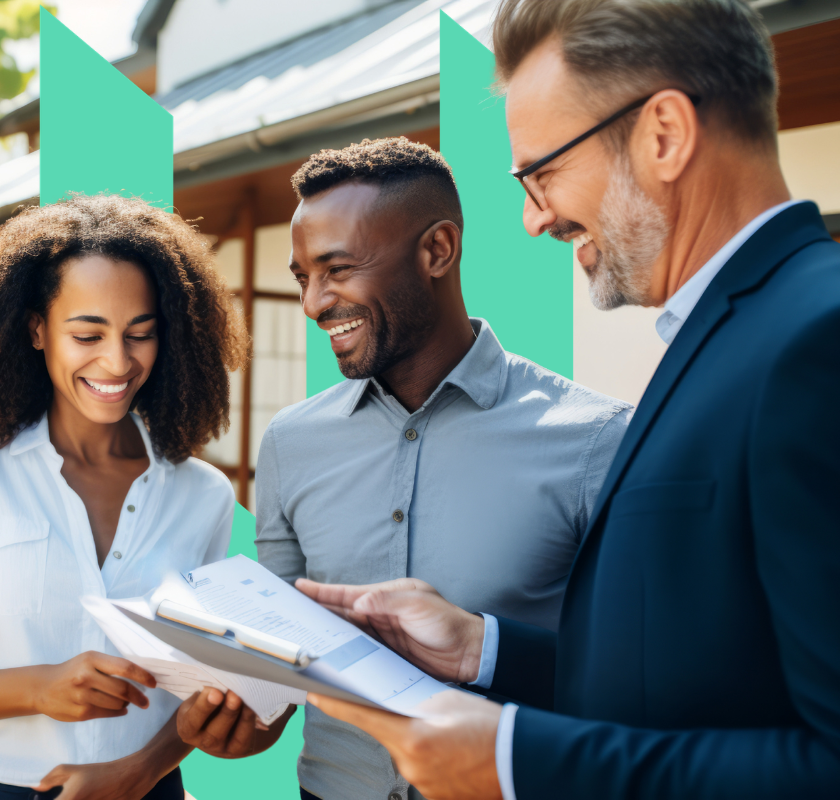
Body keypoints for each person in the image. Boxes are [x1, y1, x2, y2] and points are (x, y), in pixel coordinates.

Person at [299, 1, 840, 798]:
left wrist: (516, 758)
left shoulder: (813, 343)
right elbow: (695, 679)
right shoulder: (723, 334)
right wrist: (482, 649)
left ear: (663, 134)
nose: (532, 218)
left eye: (542, 172)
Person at [175, 138, 633, 800]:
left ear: (437, 251)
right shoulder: (291, 442)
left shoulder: (596, 440)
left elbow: (639, 681)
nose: (313, 303)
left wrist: (487, 647)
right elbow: (276, 663)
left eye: (336, 268)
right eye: (304, 276)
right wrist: (243, 721)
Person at [0, 194, 247, 800]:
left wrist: (140, 770)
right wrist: (40, 686)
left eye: (141, 334)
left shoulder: (202, 495)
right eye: (87, 333)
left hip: (146, 789)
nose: (117, 361)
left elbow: (200, 688)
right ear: (36, 330)